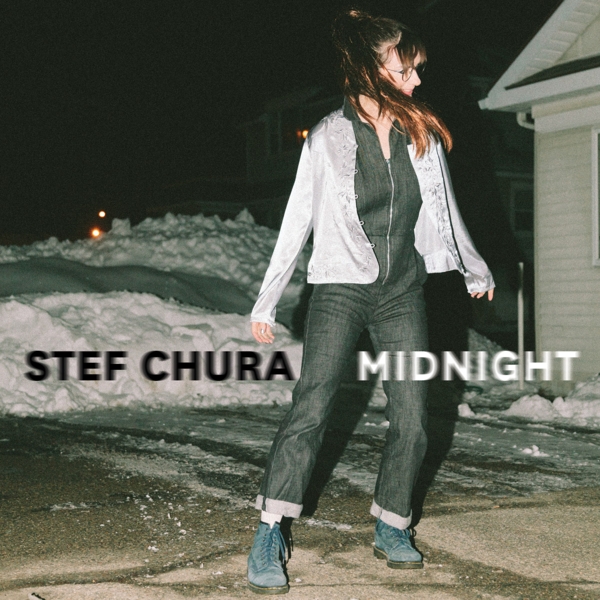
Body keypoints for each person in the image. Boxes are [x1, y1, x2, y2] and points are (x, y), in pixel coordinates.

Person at [246, 9, 495, 595]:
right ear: (369, 68)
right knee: (312, 406)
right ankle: (270, 530)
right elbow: (297, 220)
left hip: (402, 291)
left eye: (417, 69)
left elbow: (445, 208)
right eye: (406, 69)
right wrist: (266, 299)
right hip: (339, 288)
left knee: (413, 414)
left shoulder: (420, 134)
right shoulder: (327, 137)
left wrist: (472, 266)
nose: (416, 79)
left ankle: (392, 523)